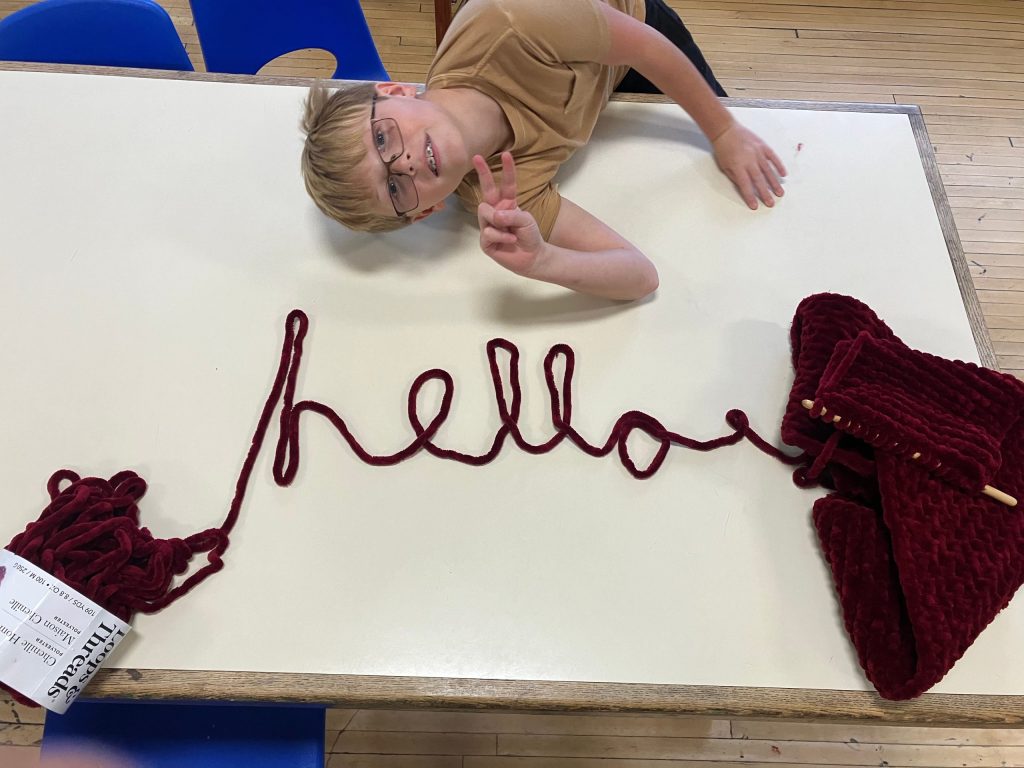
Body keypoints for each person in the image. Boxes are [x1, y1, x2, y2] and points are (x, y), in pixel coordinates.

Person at [301, 0, 786, 301]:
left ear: (396, 91)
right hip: (593, 82)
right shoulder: (497, 193)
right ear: (426, 210)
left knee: (730, 128)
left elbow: (648, 50)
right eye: (394, 187)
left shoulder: (512, 20)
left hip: (630, 28)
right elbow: (641, 276)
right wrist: (544, 261)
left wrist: (723, 132)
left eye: (382, 138)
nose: (402, 162)